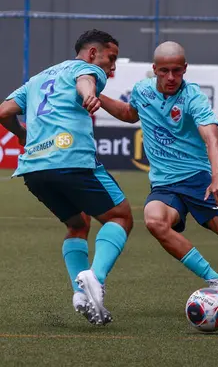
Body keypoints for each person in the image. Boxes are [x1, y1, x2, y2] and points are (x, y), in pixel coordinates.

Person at [98, 41, 218, 318]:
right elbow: (129, 113)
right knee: (154, 220)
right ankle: (214, 279)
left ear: (185, 69)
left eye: (176, 71)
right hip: (165, 184)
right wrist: (97, 98)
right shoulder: (142, 91)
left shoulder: (193, 97)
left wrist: (217, 175)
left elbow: (211, 136)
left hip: (199, 179)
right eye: (164, 71)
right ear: (154, 70)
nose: (171, 78)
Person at [0, 29, 134, 325]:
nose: (112, 67)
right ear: (92, 53)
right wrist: (88, 96)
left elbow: (4, 111)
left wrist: (24, 135)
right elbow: (85, 82)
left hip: (33, 168)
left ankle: (80, 295)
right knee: (121, 217)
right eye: (111, 59)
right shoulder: (88, 69)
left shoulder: (37, 80)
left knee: (78, 224)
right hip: (70, 159)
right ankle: (95, 280)